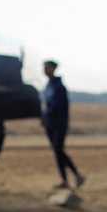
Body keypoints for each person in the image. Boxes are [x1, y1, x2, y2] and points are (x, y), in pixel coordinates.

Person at [42, 60, 84, 189]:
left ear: (52, 69)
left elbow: (57, 107)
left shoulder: (59, 87)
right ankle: (66, 180)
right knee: (57, 152)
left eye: (46, 67)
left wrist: (48, 115)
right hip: (50, 123)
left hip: (58, 124)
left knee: (58, 150)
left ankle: (76, 175)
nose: (44, 70)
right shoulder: (48, 86)